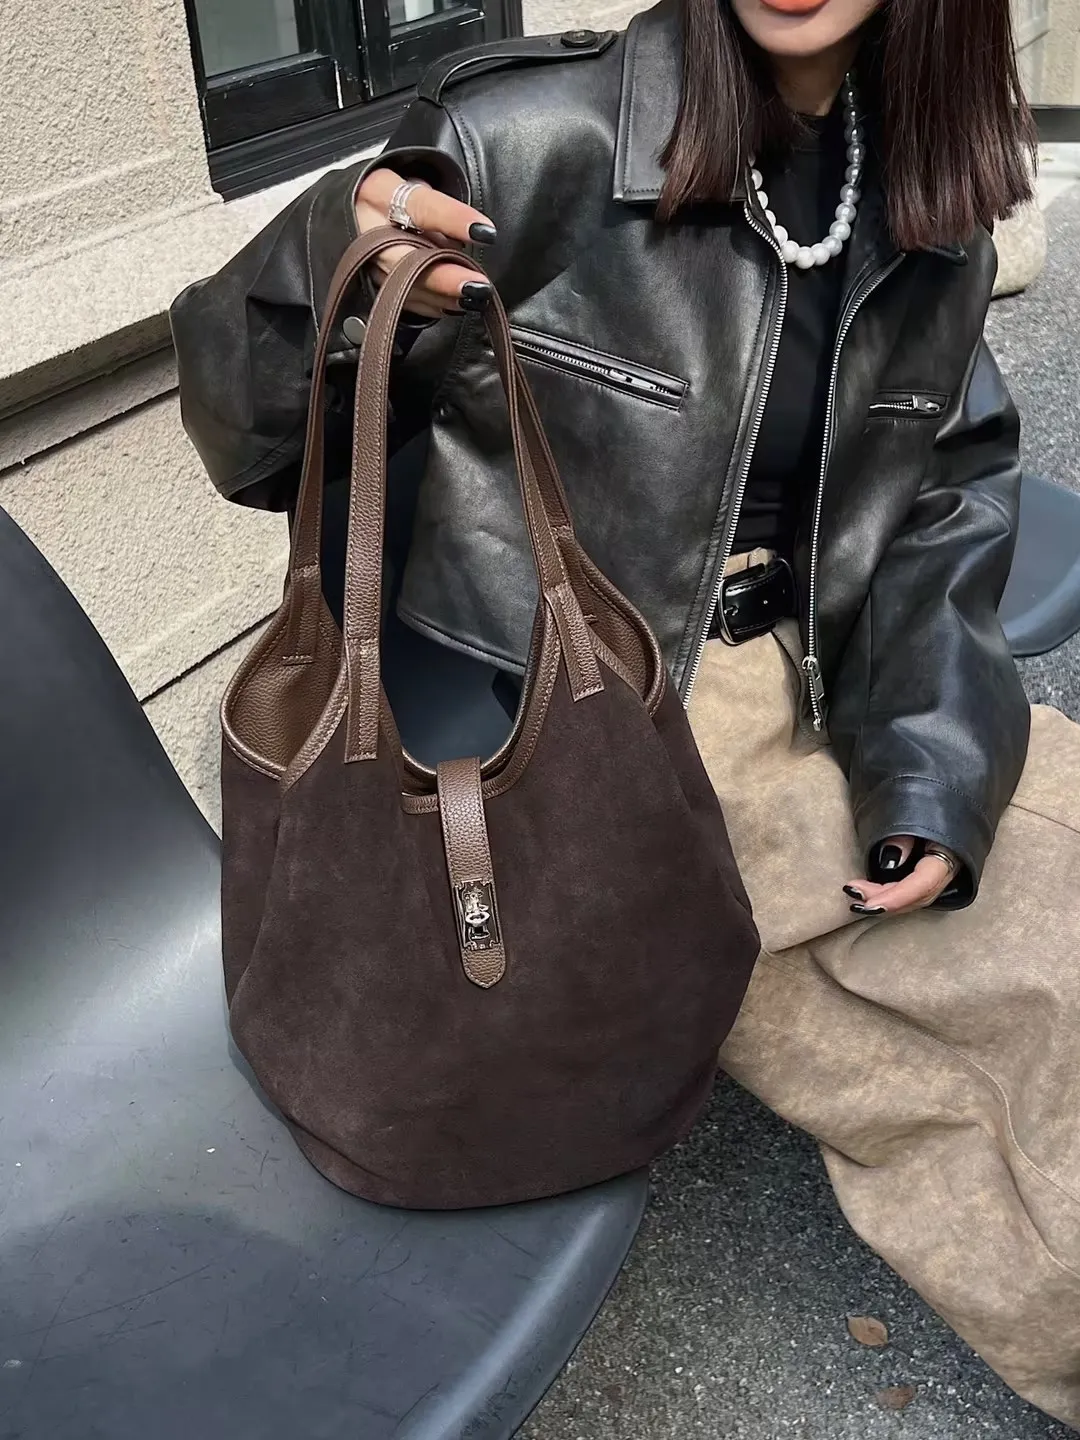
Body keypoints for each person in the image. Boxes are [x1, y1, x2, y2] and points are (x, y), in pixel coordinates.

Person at [170, 0, 1080, 1424]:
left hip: (848, 659)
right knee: (1004, 1028)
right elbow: (245, 435)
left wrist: (934, 766)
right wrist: (323, 248)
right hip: (598, 716)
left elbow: (941, 505)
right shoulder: (530, 139)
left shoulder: (917, 184)